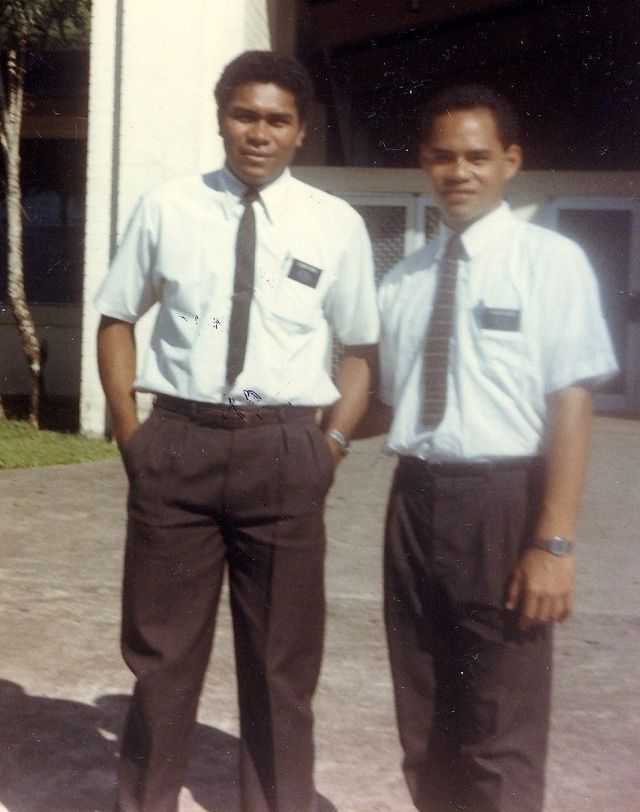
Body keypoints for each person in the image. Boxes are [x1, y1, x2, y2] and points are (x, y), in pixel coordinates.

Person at [95, 50, 379, 812]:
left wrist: (331, 446)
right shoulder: (167, 208)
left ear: (300, 132)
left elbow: (360, 352)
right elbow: (117, 319)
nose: (258, 132)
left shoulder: (334, 224)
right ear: (221, 118)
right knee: (160, 662)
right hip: (178, 444)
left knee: (281, 670)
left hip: (285, 453)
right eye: (244, 115)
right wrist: (133, 439)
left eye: (276, 120)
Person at [375, 85, 618, 812]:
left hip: (503, 505)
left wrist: (554, 544)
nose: (459, 172)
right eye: (443, 156)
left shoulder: (552, 262)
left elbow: (572, 402)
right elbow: (387, 400)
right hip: (413, 504)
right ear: (424, 162)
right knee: (424, 720)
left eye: (478, 157)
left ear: (511, 161)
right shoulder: (403, 277)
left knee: (498, 725)